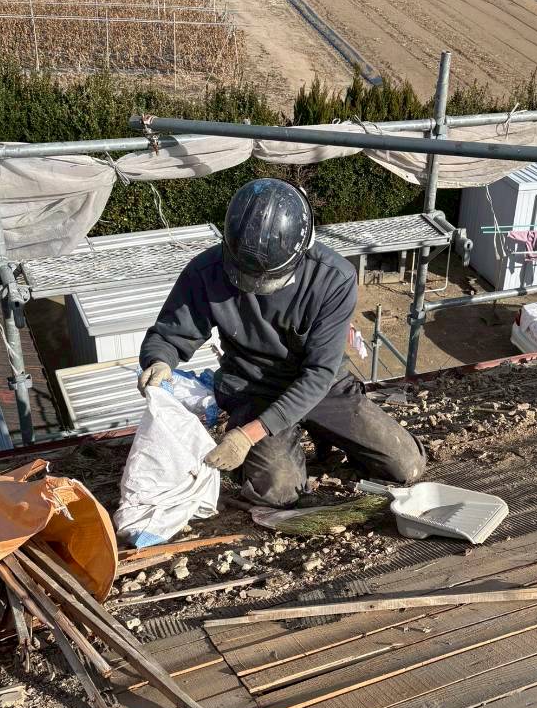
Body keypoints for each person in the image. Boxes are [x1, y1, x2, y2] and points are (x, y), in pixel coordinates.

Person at [137, 179, 425, 507]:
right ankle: (275, 453)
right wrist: (159, 360)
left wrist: (248, 436)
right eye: (248, 279)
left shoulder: (333, 278)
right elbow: (170, 334)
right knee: (280, 492)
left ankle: (324, 433)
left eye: (267, 280)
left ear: (302, 254)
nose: (257, 287)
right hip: (255, 389)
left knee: (407, 467)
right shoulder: (206, 271)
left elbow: (317, 375)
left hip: (321, 387)